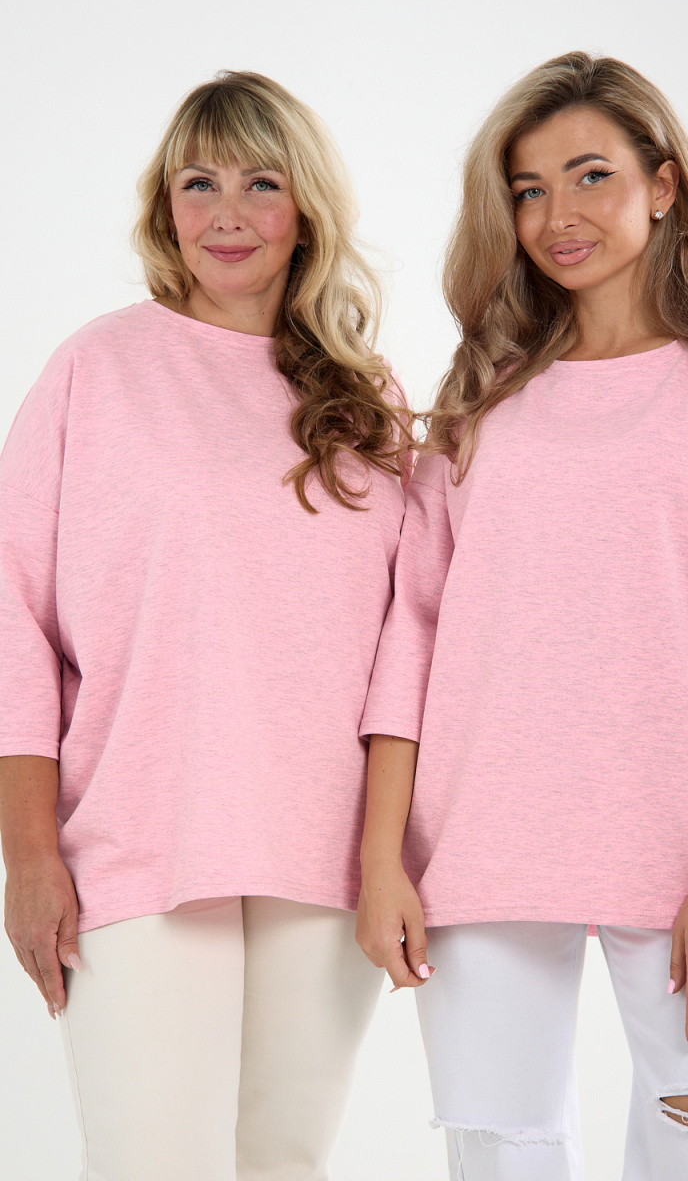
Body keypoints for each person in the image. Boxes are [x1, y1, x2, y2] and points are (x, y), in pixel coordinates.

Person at [356, 50, 688, 1180]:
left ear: (663, 184)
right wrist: (380, 858)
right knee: (502, 1160)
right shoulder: (481, 397)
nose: (557, 215)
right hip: (482, 842)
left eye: (591, 175)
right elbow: (411, 636)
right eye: (528, 189)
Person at [0, 70, 413, 1181]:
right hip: (140, 836)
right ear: (164, 205)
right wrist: (27, 853)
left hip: (324, 852)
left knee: (284, 1163)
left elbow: (406, 650)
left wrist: (390, 857)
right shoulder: (98, 367)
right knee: (152, 1163)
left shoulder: (365, 401)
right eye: (199, 182)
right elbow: (12, 618)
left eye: (261, 183)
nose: (227, 214)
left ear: (306, 209)